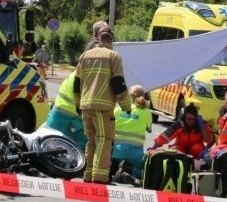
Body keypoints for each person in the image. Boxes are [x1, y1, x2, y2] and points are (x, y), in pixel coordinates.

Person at [74, 27, 132, 183]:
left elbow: (76, 83)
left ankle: (88, 174)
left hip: (85, 105)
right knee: (104, 140)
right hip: (103, 107)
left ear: (98, 40)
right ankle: (99, 177)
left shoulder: (84, 56)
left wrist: (77, 104)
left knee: (91, 140)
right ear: (111, 40)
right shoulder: (114, 56)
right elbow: (118, 83)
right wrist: (126, 106)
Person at [112, 85, 153, 185]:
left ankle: (117, 169)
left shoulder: (118, 109)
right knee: (145, 167)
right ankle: (133, 174)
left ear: (130, 96)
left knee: (113, 160)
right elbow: (149, 130)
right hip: (135, 155)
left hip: (116, 152)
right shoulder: (146, 112)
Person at [147, 102, 214, 159]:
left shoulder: (202, 124)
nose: (189, 121)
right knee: (173, 150)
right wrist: (153, 148)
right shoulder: (179, 124)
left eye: (192, 119)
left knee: (198, 149)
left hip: (195, 151)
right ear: (184, 117)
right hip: (180, 149)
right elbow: (165, 137)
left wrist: (202, 127)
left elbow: (208, 140)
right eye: (188, 119)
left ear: (196, 118)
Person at [45, 72, 87, 151]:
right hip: (71, 113)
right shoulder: (87, 76)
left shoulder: (76, 73)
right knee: (82, 141)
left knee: (50, 140)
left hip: (58, 109)